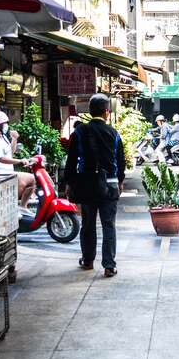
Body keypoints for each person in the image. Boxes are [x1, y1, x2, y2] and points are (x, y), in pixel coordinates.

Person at [64, 93, 125, 277]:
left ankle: (88, 260)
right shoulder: (114, 134)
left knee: (88, 224)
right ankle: (109, 265)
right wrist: (120, 181)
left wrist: (69, 183)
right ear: (107, 112)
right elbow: (121, 161)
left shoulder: (79, 132)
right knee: (108, 225)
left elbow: (71, 161)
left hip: (86, 185)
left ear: (90, 111)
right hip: (109, 185)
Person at [0, 110, 37, 208]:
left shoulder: (2, 138)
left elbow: (10, 153)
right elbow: (0, 159)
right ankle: (15, 205)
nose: (6, 126)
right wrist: (20, 161)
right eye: (4, 124)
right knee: (30, 179)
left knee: (32, 180)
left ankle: (21, 207)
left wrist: (14, 139)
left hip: (7, 173)